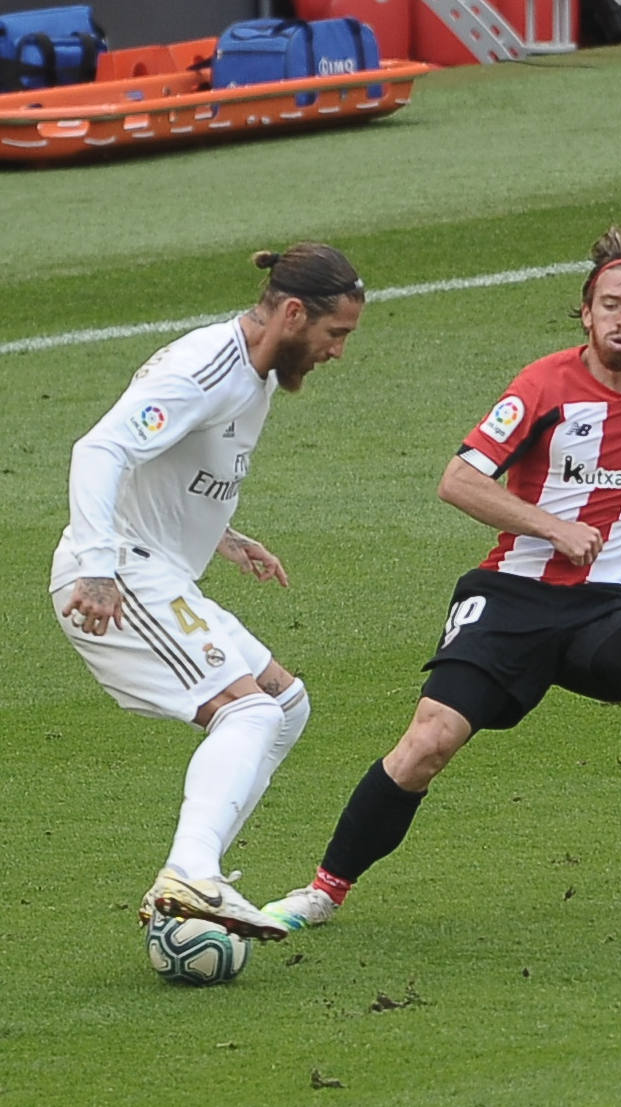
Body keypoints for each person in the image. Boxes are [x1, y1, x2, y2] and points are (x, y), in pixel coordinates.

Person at [261, 225, 621, 933]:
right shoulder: (543, 385)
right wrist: (552, 526)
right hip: (510, 596)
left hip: (605, 603)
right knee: (427, 743)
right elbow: (456, 480)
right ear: (585, 312)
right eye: (609, 304)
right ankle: (323, 891)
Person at [49, 242, 365, 941]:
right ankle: (190, 874)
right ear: (290, 312)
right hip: (118, 575)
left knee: (284, 704)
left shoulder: (254, 374)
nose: (337, 352)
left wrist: (221, 533)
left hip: (151, 563)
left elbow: (176, 465)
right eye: (334, 334)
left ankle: (199, 881)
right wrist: (99, 566)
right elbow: (100, 450)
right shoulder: (207, 369)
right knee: (248, 713)